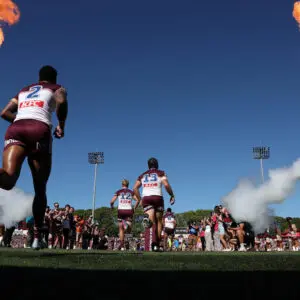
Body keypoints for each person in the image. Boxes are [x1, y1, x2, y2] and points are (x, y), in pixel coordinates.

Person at [0, 65, 68, 250]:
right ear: (54, 78)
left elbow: (4, 113)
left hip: (17, 128)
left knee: (7, 179)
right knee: (40, 187)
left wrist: (22, 121)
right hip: (39, 130)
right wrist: (61, 125)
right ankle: (38, 236)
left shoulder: (23, 90)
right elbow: (61, 102)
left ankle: (38, 236)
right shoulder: (56, 88)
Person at [133, 157, 175, 252]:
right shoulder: (161, 173)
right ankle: (156, 244)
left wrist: (139, 199)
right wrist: (172, 195)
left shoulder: (142, 175)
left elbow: (135, 188)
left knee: (151, 222)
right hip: (158, 197)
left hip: (146, 198)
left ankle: (152, 242)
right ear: (157, 165)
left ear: (148, 166)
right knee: (159, 221)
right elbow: (166, 185)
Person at [110, 179, 139, 250]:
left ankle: (122, 246)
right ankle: (127, 244)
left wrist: (112, 207)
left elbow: (111, 201)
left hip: (121, 211)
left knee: (120, 228)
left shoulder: (118, 192)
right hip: (129, 210)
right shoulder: (131, 192)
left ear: (122, 184)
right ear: (128, 185)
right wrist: (134, 208)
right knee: (129, 229)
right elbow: (138, 200)